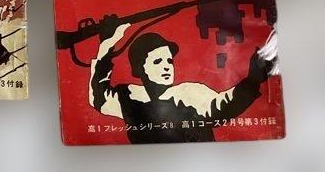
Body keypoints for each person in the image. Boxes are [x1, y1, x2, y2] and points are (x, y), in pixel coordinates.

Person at [90, 20, 274, 144]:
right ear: (139, 68)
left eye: (169, 61)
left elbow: (223, 106)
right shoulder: (128, 97)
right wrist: (107, 45)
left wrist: (253, 79)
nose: (167, 66)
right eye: (157, 61)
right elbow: (98, 98)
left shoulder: (188, 94)